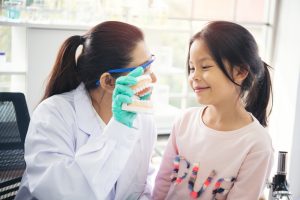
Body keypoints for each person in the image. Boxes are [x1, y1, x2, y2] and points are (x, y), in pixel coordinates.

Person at [15, 21, 157, 200]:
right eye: (144, 69)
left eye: (151, 64)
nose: (153, 78)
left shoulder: (141, 118)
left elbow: (144, 184)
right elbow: (64, 193)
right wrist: (119, 130)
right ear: (108, 82)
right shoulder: (53, 114)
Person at [153, 21, 274, 200]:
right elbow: (162, 183)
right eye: (192, 67)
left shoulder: (257, 145)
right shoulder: (184, 121)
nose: (194, 75)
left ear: (240, 72)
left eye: (205, 67)